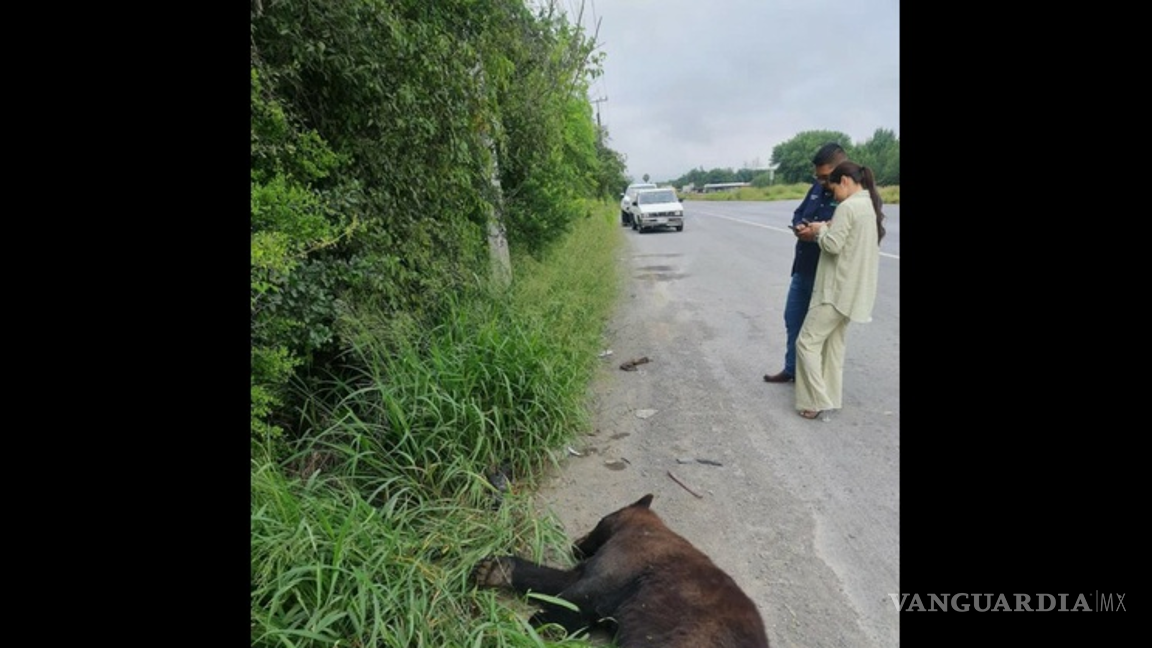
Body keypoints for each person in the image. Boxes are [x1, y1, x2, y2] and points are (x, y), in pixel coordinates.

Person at [792, 161, 886, 419]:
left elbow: (833, 246)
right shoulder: (868, 206)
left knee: (806, 343)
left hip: (835, 290)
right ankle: (830, 398)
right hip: (854, 292)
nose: (833, 196)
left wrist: (821, 230)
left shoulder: (847, 207)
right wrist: (828, 226)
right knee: (833, 347)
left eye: (834, 190)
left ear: (844, 181)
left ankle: (816, 399)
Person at [763, 142, 848, 384]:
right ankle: (792, 369)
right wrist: (801, 225)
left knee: (818, 333)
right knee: (793, 319)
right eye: (818, 176)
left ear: (840, 169)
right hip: (803, 268)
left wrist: (818, 231)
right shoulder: (817, 188)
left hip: (827, 274)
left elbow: (843, 229)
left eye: (824, 176)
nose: (821, 181)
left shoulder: (850, 195)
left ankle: (815, 382)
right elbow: (799, 213)